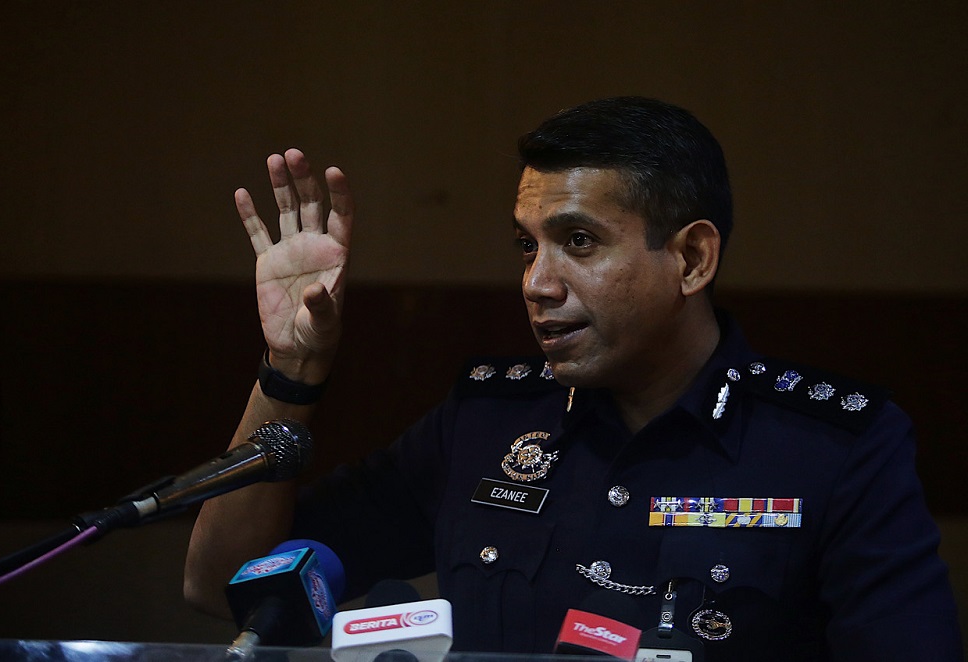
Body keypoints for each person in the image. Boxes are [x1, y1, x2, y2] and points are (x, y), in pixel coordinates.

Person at [184, 97, 963, 660]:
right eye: (528, 247)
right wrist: (292, 369)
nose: (537, 283)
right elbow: (228, 583)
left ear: (691, 259)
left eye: (579, 242)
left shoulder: (832, 447)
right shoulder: (488, 421)